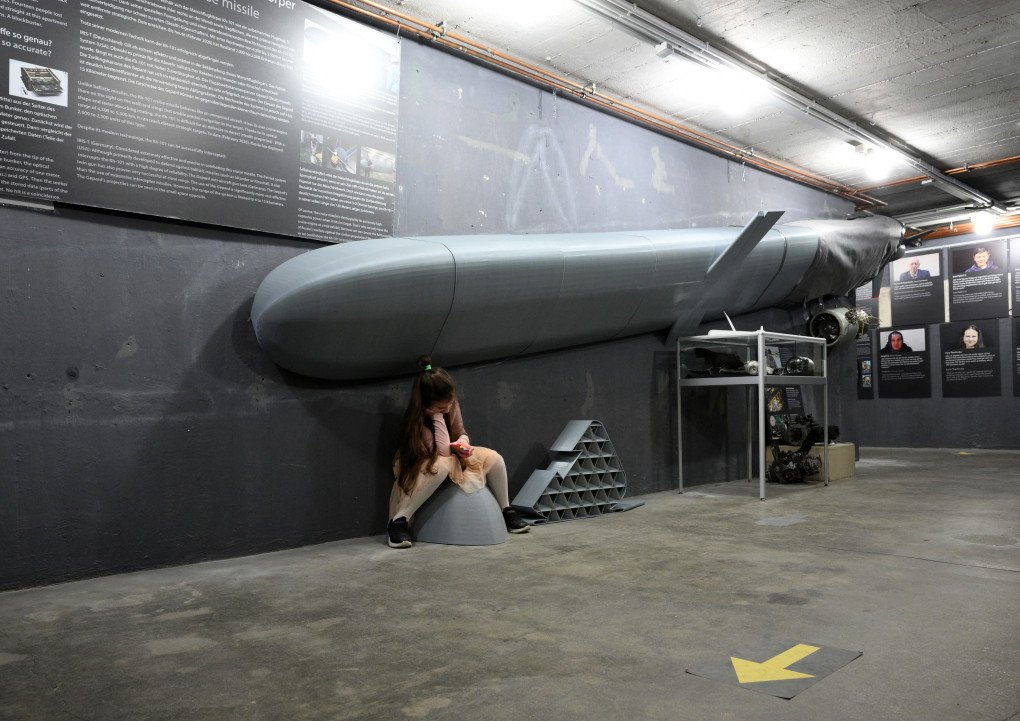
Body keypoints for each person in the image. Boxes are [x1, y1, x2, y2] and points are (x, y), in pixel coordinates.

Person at [386, 355, 529, 548]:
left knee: (494, 458)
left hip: (451, 454)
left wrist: (463, 442)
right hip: (423, 460)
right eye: (440, 407)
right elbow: (441, 452)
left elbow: (460, 432)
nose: (446, 409)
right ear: (427, 405)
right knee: (442, 466)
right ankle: (399, 520)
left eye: (449, 403)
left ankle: (507, 510)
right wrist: (437, 417)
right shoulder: (418, 421)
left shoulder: (450, 404)